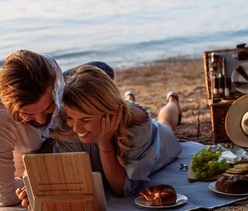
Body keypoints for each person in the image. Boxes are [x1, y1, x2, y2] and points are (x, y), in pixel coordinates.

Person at [0, 50, 113, 207]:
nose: (41, 120)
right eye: (27, 114)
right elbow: (2, 197)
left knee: (102, 70)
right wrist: (37, 185)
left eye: (47, 108)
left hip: (53, 138)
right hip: (29, 162)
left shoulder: (51, 67)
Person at [53, 65, 182, 197]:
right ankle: (129, 99)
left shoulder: (137, 124)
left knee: (165, 123)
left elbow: (122, 189)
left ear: (109, 114)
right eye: (70, 118)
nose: (75, 128)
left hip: (155, 142)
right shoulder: (64, 122)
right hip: (120, 108)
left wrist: (105, 143)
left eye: (85, 120)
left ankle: (173, 100)